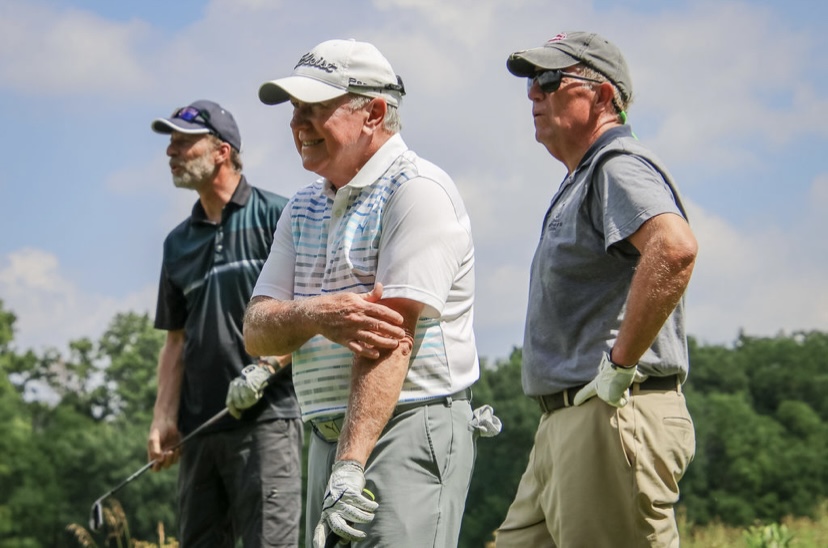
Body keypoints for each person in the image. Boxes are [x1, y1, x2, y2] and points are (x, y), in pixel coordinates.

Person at [238, 39, 485, 548]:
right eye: (294, 109)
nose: (297, 123)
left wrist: (350, 467)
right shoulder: (302, 207)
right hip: (328, 436)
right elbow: (257, 332)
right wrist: (317, 314)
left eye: (314, 107)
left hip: (407, 427)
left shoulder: (417, 190)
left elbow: (389, 340)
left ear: (372, 113)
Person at [496, 32, 698, 547]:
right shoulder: (584, 176)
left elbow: (674, 247)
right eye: (531, 83)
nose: (533, 93)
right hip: (567, 421)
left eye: (549, 80)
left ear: (603, 96)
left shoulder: (617, 165)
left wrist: (619, 367)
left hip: (610, 412)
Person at [147, 99, 303, 547]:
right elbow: (175, 342)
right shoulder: (177, 243)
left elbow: (309, 310)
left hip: (268, 421)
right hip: (199, 431)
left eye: (184, 141)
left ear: (222, 151)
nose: (171, 151)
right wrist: (163, 418)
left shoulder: (279, 216)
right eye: (171, 142)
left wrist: (267, 367)